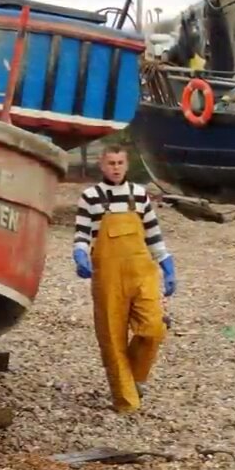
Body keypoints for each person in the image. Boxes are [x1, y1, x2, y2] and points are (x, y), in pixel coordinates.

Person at [72, 145, 176, 413]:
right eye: (111, 163)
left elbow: (153, 233)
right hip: (108, 277)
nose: (116, 167)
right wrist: (80, 254)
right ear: (102, 165)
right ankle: (126, 401)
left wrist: (166, 263)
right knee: (112, 338)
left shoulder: (140, 196)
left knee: (154, 328)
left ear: (126, 165)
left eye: (120, 163)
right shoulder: (90, 197)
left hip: (142, 272)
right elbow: (83, 234)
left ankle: (134, 378)